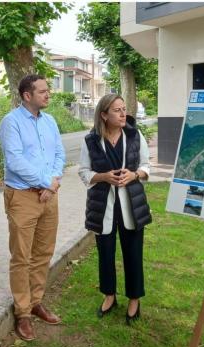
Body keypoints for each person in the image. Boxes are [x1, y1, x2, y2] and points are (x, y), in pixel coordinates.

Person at [0, 74, 66, 341]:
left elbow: (59, 154)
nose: (48, 95)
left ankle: (36, 302)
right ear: (27, 95)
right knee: (22, 256)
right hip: (23, 196)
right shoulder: (11, 122)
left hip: (49, 196)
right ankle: (22, 312)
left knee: (43, 252)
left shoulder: (50, 121)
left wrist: (53, 184)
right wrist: (44, 182)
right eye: (43, 91)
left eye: (48, 91)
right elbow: (14, 160)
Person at [78, 94, 152, 325]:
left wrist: (135, 174)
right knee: (106, 255)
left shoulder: (134, 135)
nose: (123, 114)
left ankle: (134, 299)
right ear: (104, 115)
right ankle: (109, 296)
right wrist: (102, 177)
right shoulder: (91, 140)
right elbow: (83, 172)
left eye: (123, 109)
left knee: (133, 254)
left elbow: (146, 165)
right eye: (117, 110)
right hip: (103, 207)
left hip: (131, 204)